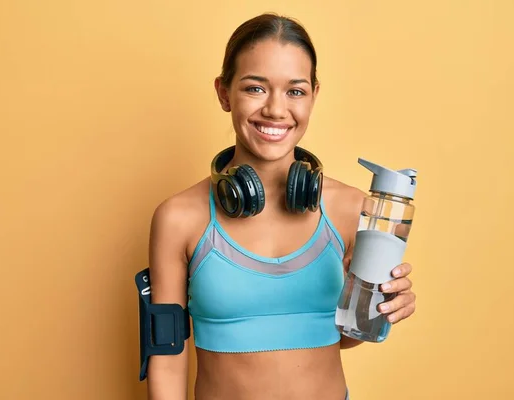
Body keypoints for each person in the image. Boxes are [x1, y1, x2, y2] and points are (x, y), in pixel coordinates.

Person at [146, 13, 417, 400]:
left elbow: (335, 336)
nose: (276, 110)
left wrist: (381, 308)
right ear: (224, 93)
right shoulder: (179, 218)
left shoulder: (353, 208)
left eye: (295, 91)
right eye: (255, 89)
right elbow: (167, 358)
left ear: (314, 95)